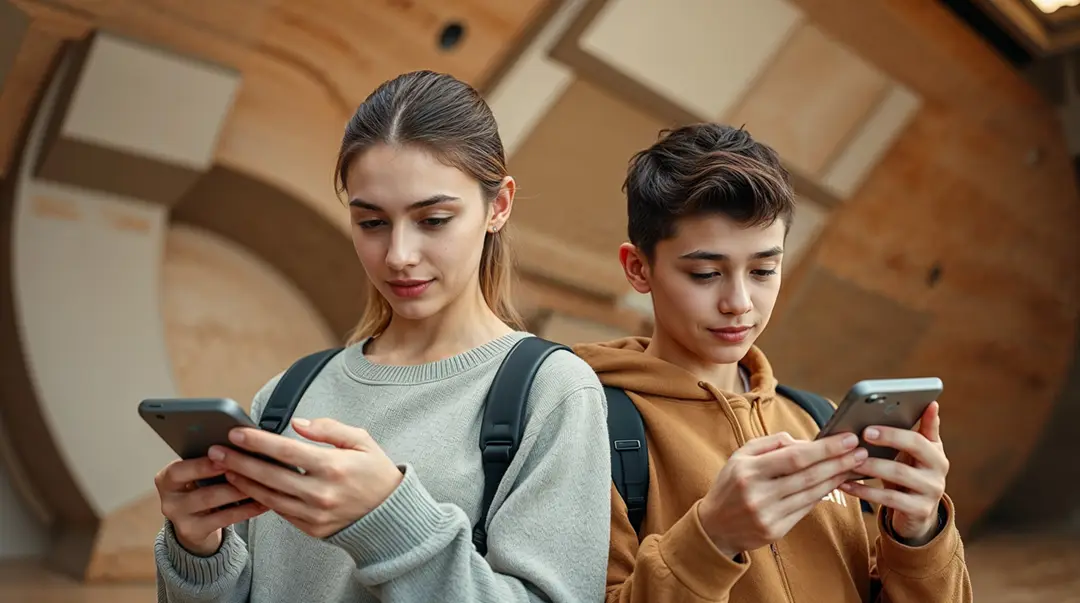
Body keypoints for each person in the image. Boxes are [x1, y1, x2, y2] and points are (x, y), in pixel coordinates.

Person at [151, 70, 611, 603]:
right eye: (371, 222)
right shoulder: (285, 394)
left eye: (433, 219)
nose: (398, 255)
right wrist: (197, 547)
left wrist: (389, 520)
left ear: (499, 206)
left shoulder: (553, 392)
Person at [574, 123, 973, 602]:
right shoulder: (588, 424)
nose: (739, 302)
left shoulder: (817, 418)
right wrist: (712, 538)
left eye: (764, 270)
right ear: (639, 268)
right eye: (705, 273)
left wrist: (918, 534)